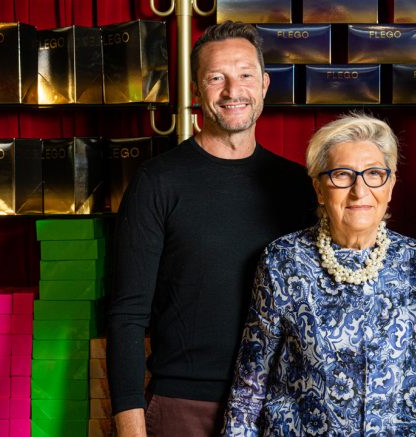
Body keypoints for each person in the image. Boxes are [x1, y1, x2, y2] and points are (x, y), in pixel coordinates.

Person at [107, 21, 316, 437]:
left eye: (245, 75)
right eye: (216, 77)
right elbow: (126, 316)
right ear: (196, 90)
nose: (232, 90)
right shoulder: (157, 182)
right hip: (183, 406)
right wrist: (131, 429)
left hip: (277, 406)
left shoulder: (297, 186)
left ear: (264, 85)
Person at [222, 113, 416, 436]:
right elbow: (249, 389)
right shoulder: (283, 261)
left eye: (374, 174)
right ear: (319, 188)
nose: (360, 190)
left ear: (390, 185)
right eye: (342, 175)